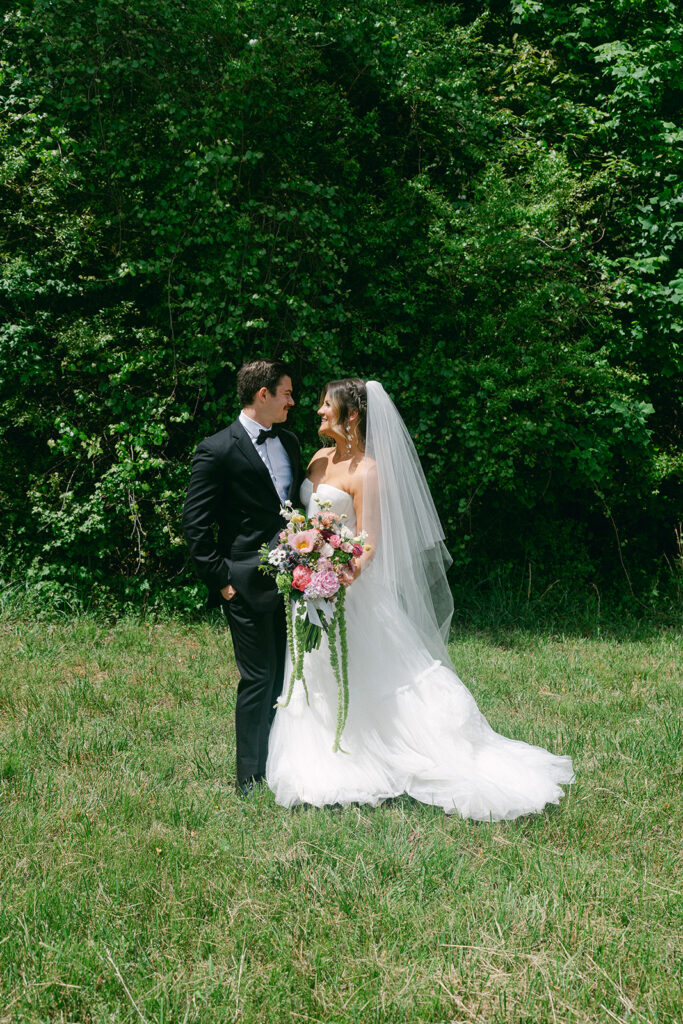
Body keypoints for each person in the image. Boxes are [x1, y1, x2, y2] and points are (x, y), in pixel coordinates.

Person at [266, 378, 574, 819]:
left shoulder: (367, 471)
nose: (318, 412)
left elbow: (368, 541)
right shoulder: (317, 459)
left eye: (326, 406)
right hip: (307, 586)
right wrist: (301, 566)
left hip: (347, 591)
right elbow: (304, 521)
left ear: (351, 415)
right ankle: (319, 753)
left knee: (371, 672)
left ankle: (390, 747)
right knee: (315, 672)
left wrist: (334, 578)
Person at [182, 359, 302, 795]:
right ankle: (249, 779)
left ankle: (284, 764)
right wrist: (222, 581)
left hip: (296, 582)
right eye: (286, 392)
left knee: (288, 676)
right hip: (245, 584)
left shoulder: (289, 441)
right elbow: (195, 525)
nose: (293, 400)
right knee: (258, 678)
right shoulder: (217, 449)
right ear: (263, 394)